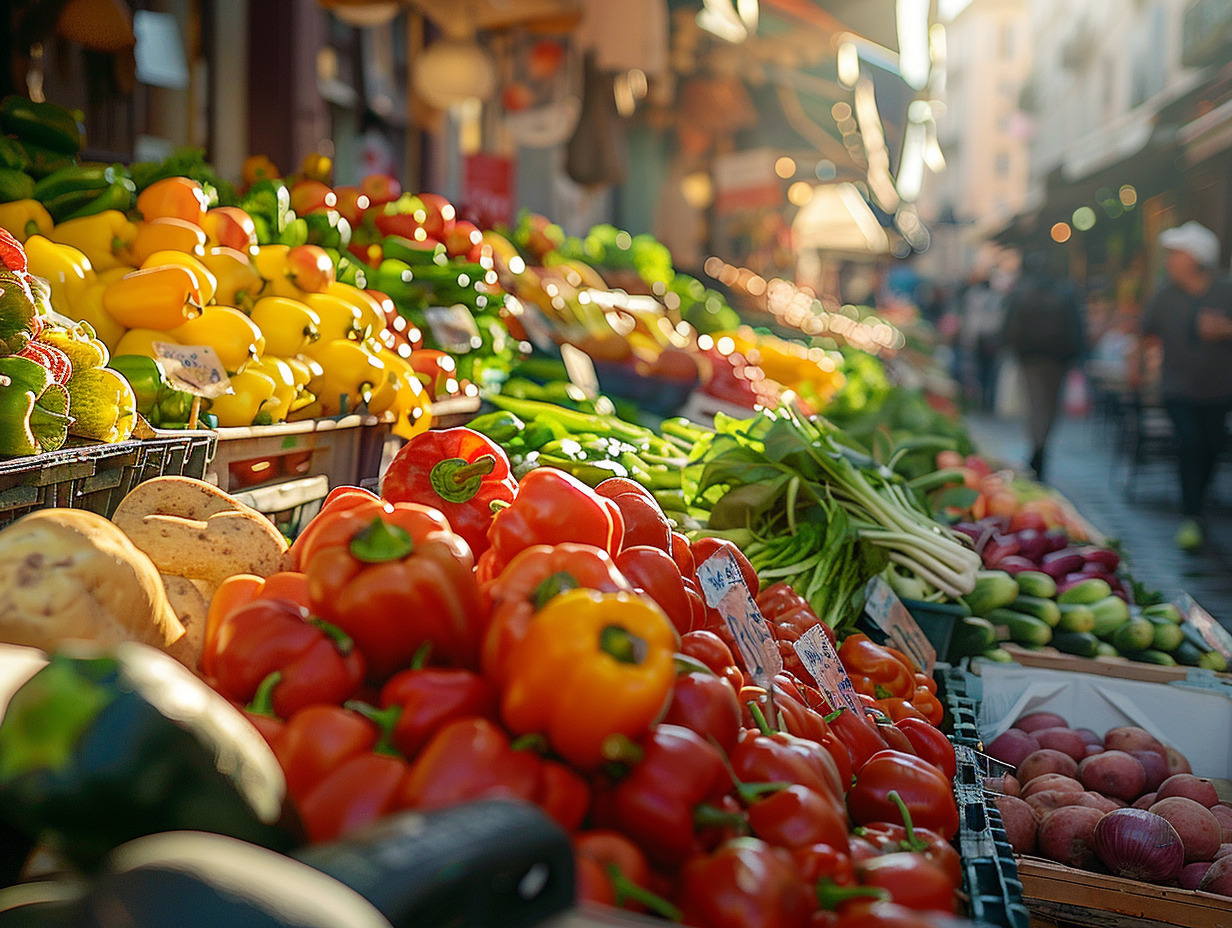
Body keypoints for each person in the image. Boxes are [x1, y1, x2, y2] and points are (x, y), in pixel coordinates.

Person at [1133, 221, 1232, 551]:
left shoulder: (1225, 290)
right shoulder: (1164, 295)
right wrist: (1135, 367)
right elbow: (1145, 333)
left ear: (1195, 257)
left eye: (1176, 254)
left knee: (1212, 446)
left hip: (1219, 390)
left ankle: (1198, 507)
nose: (1170, 260)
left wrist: (1225, 329)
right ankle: (1191, 514)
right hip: (1177, 389)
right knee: (1189, 444)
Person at [1001, 249, 1087, 481]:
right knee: (1049, 405)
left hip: (1029, 358)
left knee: (1034, 403)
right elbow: (1077, 326)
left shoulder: (1021, 291)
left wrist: (1010, 349)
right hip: (1058, 360)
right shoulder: (1065, 291)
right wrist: (1078, 357)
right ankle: (1041, 446)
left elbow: (1007, 324)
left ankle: (1037, 446)